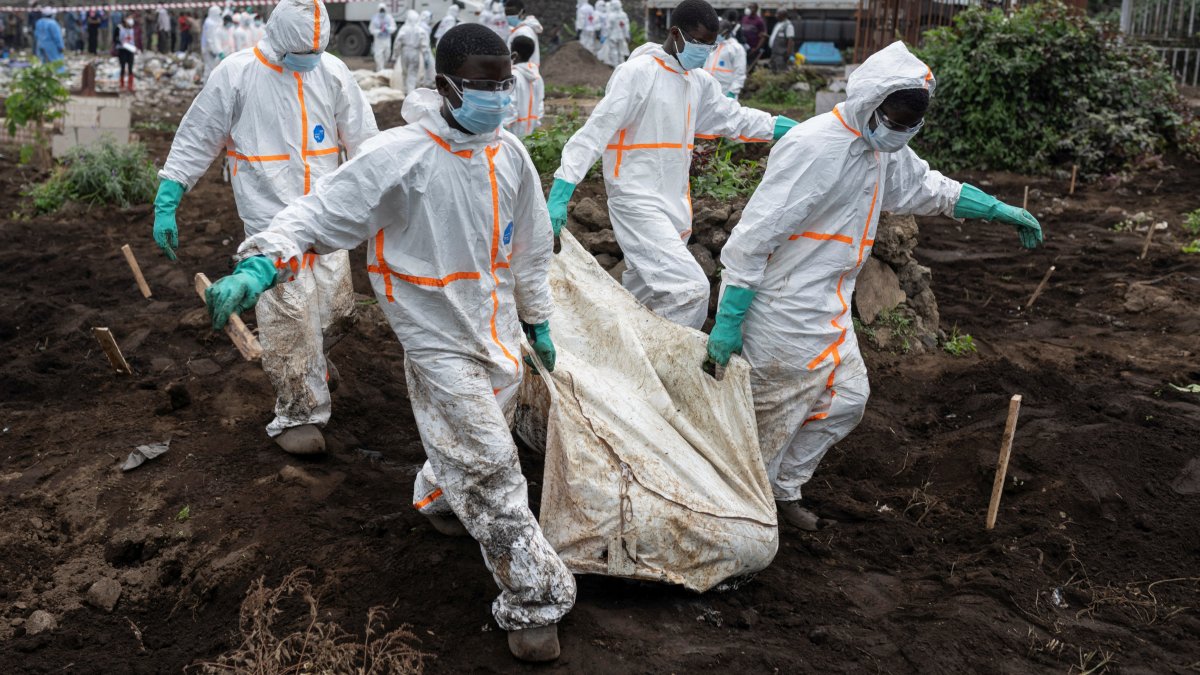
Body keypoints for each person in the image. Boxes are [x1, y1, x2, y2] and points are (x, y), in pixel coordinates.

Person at [202, 22, 575, 662]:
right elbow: (319, 213)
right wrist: (260, 265)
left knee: (479, 431)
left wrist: (537, 321)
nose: (497, 98)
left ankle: (437, 495)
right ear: (446, 87)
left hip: (496, 329)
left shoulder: (508, 155)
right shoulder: (400, 156)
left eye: (503, 85)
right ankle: (534, 601)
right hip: (433, 335)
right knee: (491, 463)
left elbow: (533, 249)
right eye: (483, 87)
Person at [706, 42, 1044, 530]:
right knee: (769, 418)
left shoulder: (886, 151)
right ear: (869, 104)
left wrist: (997, 209)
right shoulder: (814, 147)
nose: (899, 133)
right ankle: (738, 513)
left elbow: (930, 188)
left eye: (910, 126)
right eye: (894, 121)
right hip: (783, 309)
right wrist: (730, 319)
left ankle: (781, 491)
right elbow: (750, 241)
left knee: (847, 399)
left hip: (831, 305)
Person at [152, 0, 378, 456]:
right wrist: (169, 196)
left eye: (316, 50)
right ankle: (298, 413)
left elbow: (366, 140)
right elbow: (199, 134)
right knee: (290, 319)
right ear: (276, 39)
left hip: (327, 217)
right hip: (269, 221)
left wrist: (378, 199)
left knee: (337, 311)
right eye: (301, 51)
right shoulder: (235, 75)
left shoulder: (331, 73)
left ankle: (314, 358)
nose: (308, 59)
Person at [548, 0, 797, 330]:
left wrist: (785, 127)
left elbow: (734, 118)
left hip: (674, 204)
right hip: (635, 200)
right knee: (689, 290)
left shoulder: (697, 82)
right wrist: (561, 190)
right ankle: (663, 365)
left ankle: (614, 351)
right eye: (698, 42)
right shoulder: (638, 74)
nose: (704, 52)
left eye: (710, 44)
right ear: (675, 34)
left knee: (640, 297)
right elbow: (595, 132)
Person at [505, 35, 543, 138]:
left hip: (513, 132)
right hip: (531, 132)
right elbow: (540, 105)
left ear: (515, 54)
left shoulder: (512, 76)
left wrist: (504, 127)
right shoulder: (537, 77)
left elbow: (510, 105)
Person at [704, 17, 746, 98]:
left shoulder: (736, 48)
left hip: (725, 91)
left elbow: (740, 73)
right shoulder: (713, 46)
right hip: (708, 89)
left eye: (718, 32)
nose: (716, 35)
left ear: (726, 32)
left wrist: (733, 92)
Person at [393, 9, 425, 94]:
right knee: (412, 74)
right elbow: (424, 44)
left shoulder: (403, 29)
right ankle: (411, 92)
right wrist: (425, 55)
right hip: (415, 52)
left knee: (405, 72)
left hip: (405, 52)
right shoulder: (419, 29)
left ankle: (406, 91)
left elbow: (397, 42)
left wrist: (395, 55)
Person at [504, 0, 541, 66]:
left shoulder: (524, 32)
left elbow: (523, 57)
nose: (509, 16)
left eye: (512, 13)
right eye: (507, 13)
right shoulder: (519, 30)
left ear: (522, 12)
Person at [595, 0, 628, 67]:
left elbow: (608, 28)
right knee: (621, 51)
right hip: (621, 36)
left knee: (614, 51)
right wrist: (626, 35)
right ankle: (623, 65)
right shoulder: (623, 15)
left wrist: (604, 36)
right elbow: (626, 26)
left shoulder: (611, 16)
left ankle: (616, 66)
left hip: (613, 36)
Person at [369, 3, 395, 72]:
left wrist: (388, 29)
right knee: (378, 55)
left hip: (387, 39)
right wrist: (379, 31)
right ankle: (380, 70)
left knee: (387, 54)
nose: (382, 12)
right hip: (378, 40)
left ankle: (382, 67)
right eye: (381, 11)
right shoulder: (375, 18)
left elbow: (394, 27)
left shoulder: (389, 18)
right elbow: (371, 29)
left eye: (383, 11)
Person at [200, 5, 223, 80]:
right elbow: (210, 38)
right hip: (209, 49)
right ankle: (207, 86)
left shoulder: (211, 21)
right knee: (210, 69)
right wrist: (214, 50)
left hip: (209, 48)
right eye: (218, 14)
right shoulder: (210, 23)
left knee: (210, 68)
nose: (219, 16)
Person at [117, 16, 139, 91]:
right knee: (123, 67)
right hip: (122, 49)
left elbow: (133, 40)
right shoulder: (120, 29)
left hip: (130, 49)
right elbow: (117, 39)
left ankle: (130, 85)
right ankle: (122, 84)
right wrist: (121, 43)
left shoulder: (132, 30)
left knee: (130, 67)